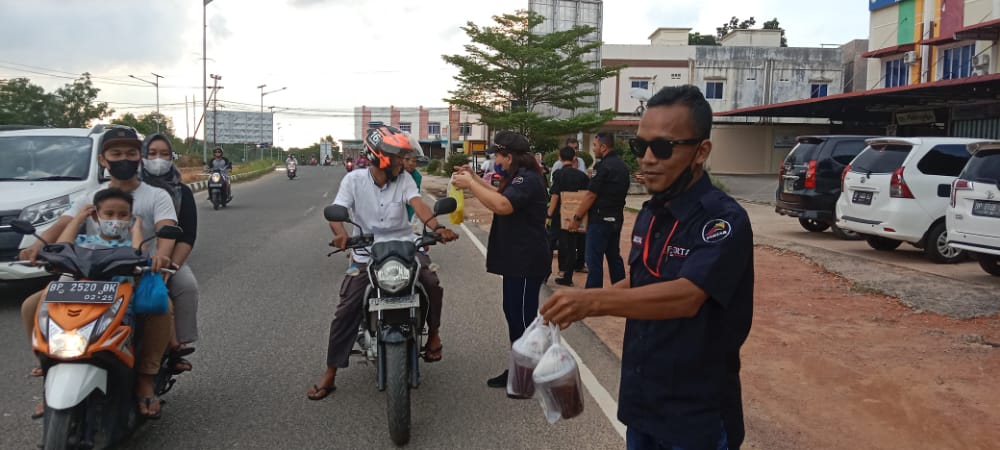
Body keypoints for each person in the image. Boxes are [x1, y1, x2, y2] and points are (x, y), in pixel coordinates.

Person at [541, 85, 754, 450]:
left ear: (701, 151)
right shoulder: (651, 213)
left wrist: (593, 304)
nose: (648, 159)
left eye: (664, 147)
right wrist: (584, 298)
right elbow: (640, 283)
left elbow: (686, 296)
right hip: (644, 401)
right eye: (641, 147)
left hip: (695, 415)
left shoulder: (723, 220)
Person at [20, 127, 178, 419]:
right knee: (33, 306)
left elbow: (167, 229)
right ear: (103, 159)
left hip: (137, 271)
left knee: (161, 308)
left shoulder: (156, 195)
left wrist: (160, 256)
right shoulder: (90, 197)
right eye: (116, 153)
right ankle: (48, 366)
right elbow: (62, 226)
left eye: (131, 153)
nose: (124, 159)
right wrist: (36, 247)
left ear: (140, 157)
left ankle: (145, 377)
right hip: (84, 276)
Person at [307, 125, 458, 401]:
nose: (404, 162)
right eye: (399, 157)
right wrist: (341, 235)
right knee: (347, 308)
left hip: (405, 246)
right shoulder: (353, 180)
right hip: (367, 251)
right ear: (382, 158)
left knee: (431, 283)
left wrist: (437, 227)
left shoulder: (405, 180)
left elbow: (419, 204)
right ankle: (330, 372)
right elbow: (336, 212)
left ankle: (434, 334)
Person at [451, 130, 550, 389]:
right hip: (517, 260)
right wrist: (473, 178)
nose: (495, 159)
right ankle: (521, 368)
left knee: (523, 317)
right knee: (514, 313)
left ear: (508, 156)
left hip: (527, 260)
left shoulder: (527, 179)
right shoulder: (517, 177)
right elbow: (500, 195)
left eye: (497, 155)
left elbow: (503, 206)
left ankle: (528, 373)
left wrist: (471, 185)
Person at [142, 134, 200, 374]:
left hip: (165, 257)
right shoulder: (127, 187)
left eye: (164, 154)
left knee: (186, 285)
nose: (158, 159)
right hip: (126, 257)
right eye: (152, 153)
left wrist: (171, 267)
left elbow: (187, 236)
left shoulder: (180, 192)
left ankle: (177, 347)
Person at [567, 131, 630, 289]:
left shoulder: (602, 166)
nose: (593, 149)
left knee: (594, 259)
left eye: (594, 145)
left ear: (603, 147)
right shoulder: (622, 166)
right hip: (616, 218)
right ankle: (621, 293)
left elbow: (590, 195)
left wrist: (576, 218)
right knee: (614, 257)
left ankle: (592, 295)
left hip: (600, 219)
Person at [548, 146, 591, 286]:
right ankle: (568, 277)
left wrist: (548, 214)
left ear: (560, 158)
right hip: (575, 215)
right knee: (572, 245)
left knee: (550, 243)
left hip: (559, 214)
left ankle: (544, 274)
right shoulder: (582, 176)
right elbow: (587, 196)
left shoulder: (558, 174)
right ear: (574, 159)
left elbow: (555, 195)